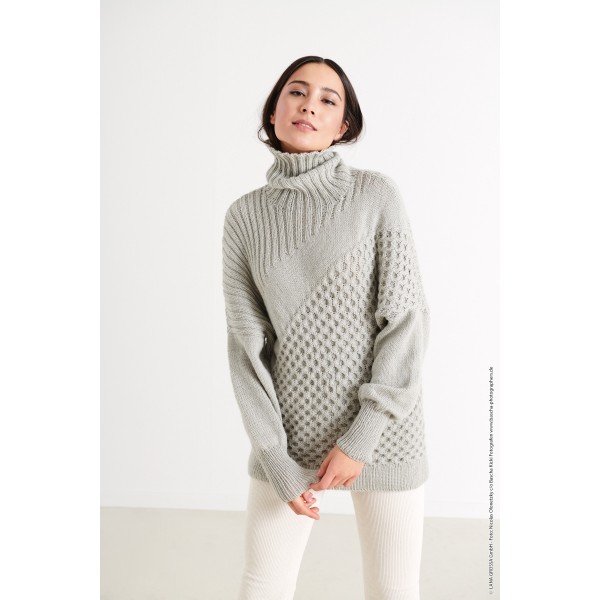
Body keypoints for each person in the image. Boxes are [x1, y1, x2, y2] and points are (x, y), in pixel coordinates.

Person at [221, 55, 430, 600]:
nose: (309, 105)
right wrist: (274, 456)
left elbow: (405, 319)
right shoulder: (244, 217)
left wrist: (362, 437)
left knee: (393, 588)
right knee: (262, 584)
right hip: (287, 441)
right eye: (296, 91)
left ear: (343, 126)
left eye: (327, 99)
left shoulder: (375, 195)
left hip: (384, 433)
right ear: (273, 111)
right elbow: (246, 350)